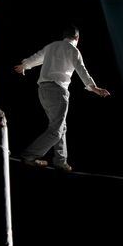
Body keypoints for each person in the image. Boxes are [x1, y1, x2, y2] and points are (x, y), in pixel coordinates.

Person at [14, 24, 110, 171]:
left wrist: (24, 65)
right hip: (58, 91)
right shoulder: (73, 50)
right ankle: (29, 155)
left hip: (43, 91)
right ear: (77, 38)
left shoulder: (52, 46)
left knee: (60, 126)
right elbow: (81, 70)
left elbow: (36, 57)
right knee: (56, 130)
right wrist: (94, 88)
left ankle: (60, 160)